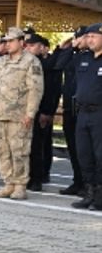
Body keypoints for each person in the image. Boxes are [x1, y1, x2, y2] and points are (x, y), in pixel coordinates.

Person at [0, 27, 44, 200]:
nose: (7, 44)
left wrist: (30, 113)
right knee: (2, 151)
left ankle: (20, 185)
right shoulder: (1, 61)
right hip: (0, 114)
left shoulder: (31, 61)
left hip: (19, 115)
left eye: (11, 41)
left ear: (21, 42)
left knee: (19, 151)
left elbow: (35, 89)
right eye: (6, 41)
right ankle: (8, 183)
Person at [67, 23, 102, 209]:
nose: (89, 40)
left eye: (93, 36)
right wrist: (74, 46)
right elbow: (61, 63)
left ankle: (100, 197)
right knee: (84, 154)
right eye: (87, 37)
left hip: (99, 114)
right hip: (82, 113)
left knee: (100, 156)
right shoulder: (82, 58)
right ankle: (89, 193)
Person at [25, 34, 61, 192]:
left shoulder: (47, 65)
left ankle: (37, 178)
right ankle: (26, 176)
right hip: (24, 109)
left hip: (40, 110)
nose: (28, 48)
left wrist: (47, 111)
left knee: (37, 146)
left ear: (41, 47)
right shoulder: (25, 62)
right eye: (27, 45)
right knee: (24, 146)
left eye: (32, 45)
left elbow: (51, 91)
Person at [54, 28, 87, 196]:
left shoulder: (91, 56)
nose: (78, 40)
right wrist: (65, 47)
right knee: (73, 148)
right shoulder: (72, 55)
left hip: (83, 110)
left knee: (85, 150)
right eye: (76, 37)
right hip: (69, 108)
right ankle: (77, 181)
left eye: (81, 37)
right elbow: (58, 65)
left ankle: (88, 185)